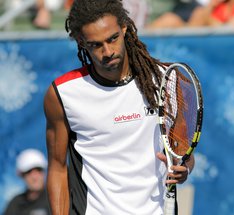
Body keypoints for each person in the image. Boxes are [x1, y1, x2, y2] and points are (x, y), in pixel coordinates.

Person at [43, 0, 195, 214]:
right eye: (96, 44)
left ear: (124, 27)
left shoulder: (167, 80)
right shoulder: (62, 93)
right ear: (81, 41)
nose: (107, 51)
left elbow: (182, 153)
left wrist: (184, 168)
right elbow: (57, 167)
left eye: (112, 38)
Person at [3, 149, 50, 215]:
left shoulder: (55, 200)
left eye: (39, 170)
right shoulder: (15, 204)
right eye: (29, 172)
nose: (35, 177)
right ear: (22, 175)